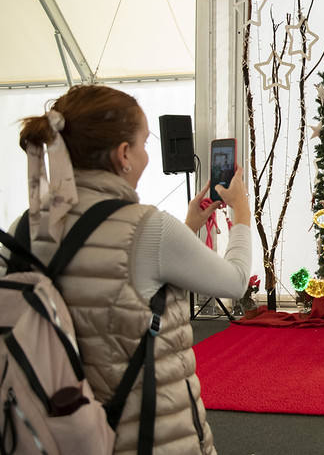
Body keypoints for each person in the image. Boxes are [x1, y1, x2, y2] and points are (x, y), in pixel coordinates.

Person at [1, 85, 251, 454]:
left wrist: (189, 225)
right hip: (148, 436)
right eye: (144, 144)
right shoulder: (151, 228)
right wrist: (242, 211)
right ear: (123, 155)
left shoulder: (23, 227)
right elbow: (236, 281)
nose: (147, 155)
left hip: (55, 433)